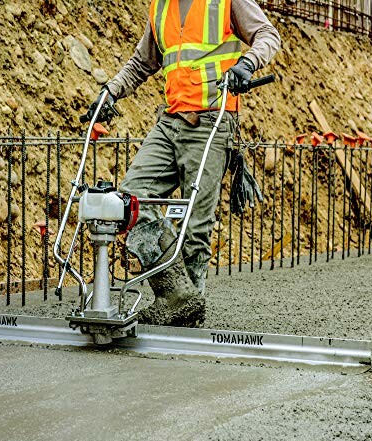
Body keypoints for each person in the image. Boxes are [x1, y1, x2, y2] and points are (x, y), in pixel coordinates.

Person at [84, 0, 281, 328]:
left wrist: (247, 64)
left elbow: (267, 35)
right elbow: (141, 62)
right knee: (131, 201)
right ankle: (179, 297)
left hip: (212, 119)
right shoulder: (161, 6)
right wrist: (110, 93)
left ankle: (186, 318)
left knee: (196, 223)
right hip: (170, 121)